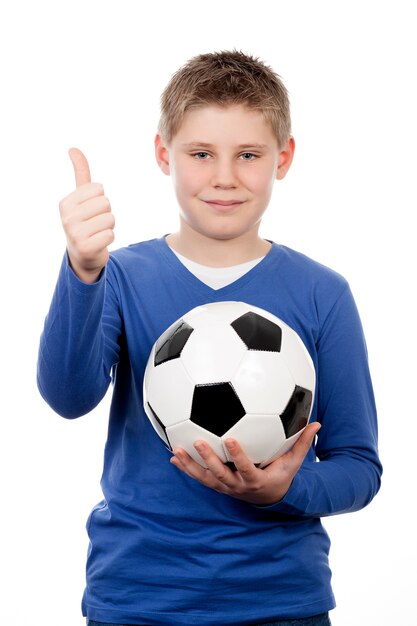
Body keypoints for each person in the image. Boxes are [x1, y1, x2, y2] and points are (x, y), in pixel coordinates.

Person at [37, 50, 382, 626]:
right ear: (163, 154)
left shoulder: (323, 294)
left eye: (248, 154)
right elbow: (67, 398)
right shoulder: (119, 277)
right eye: (202, 154)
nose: (225, 176)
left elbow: (359, 467)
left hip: (280, 602)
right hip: (138, 599)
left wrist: (283, 489)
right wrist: (83, 269)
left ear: (284, 157)